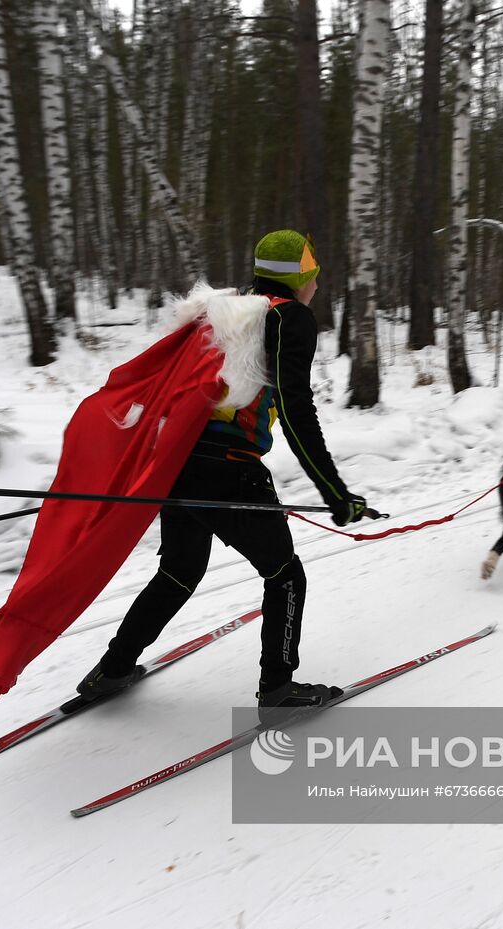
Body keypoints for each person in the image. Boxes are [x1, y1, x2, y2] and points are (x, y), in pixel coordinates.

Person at [76, 229, 370, 713]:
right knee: (285, 575)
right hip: (230, 468)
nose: (317, 285)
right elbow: (297, 410)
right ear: (303, 277)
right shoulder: (287, 317)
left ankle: (113, 668)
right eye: (314, 275)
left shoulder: (228, 313)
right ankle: (278, 688)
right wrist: (334, 491)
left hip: (179, 461)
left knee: (179, 570)